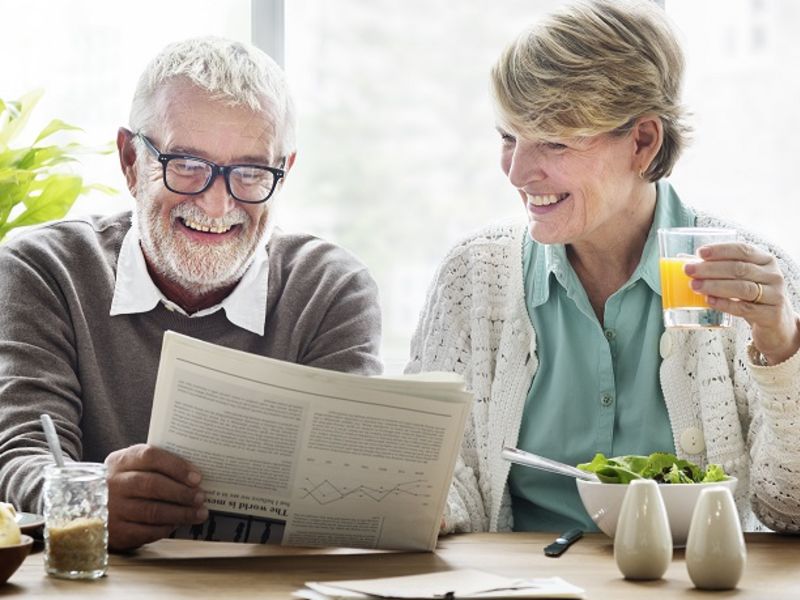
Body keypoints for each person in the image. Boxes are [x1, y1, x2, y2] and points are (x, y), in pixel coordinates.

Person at [407, 0, 800, 535]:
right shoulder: (474, 278)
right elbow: (435, 481)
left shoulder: (752, 283)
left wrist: (781, 348)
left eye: (554, 141)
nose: (518, 172)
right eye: (508, 137)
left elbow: (790, 509)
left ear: (642, 141)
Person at [0, 37, 382, 551]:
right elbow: (17, 455)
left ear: (284, 173)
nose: (217, 202)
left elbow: (350, 488)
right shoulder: (44, 270)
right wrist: (88, 498)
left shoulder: (330, 290)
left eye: (249, 172)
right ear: (132, 160)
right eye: (186, 164)